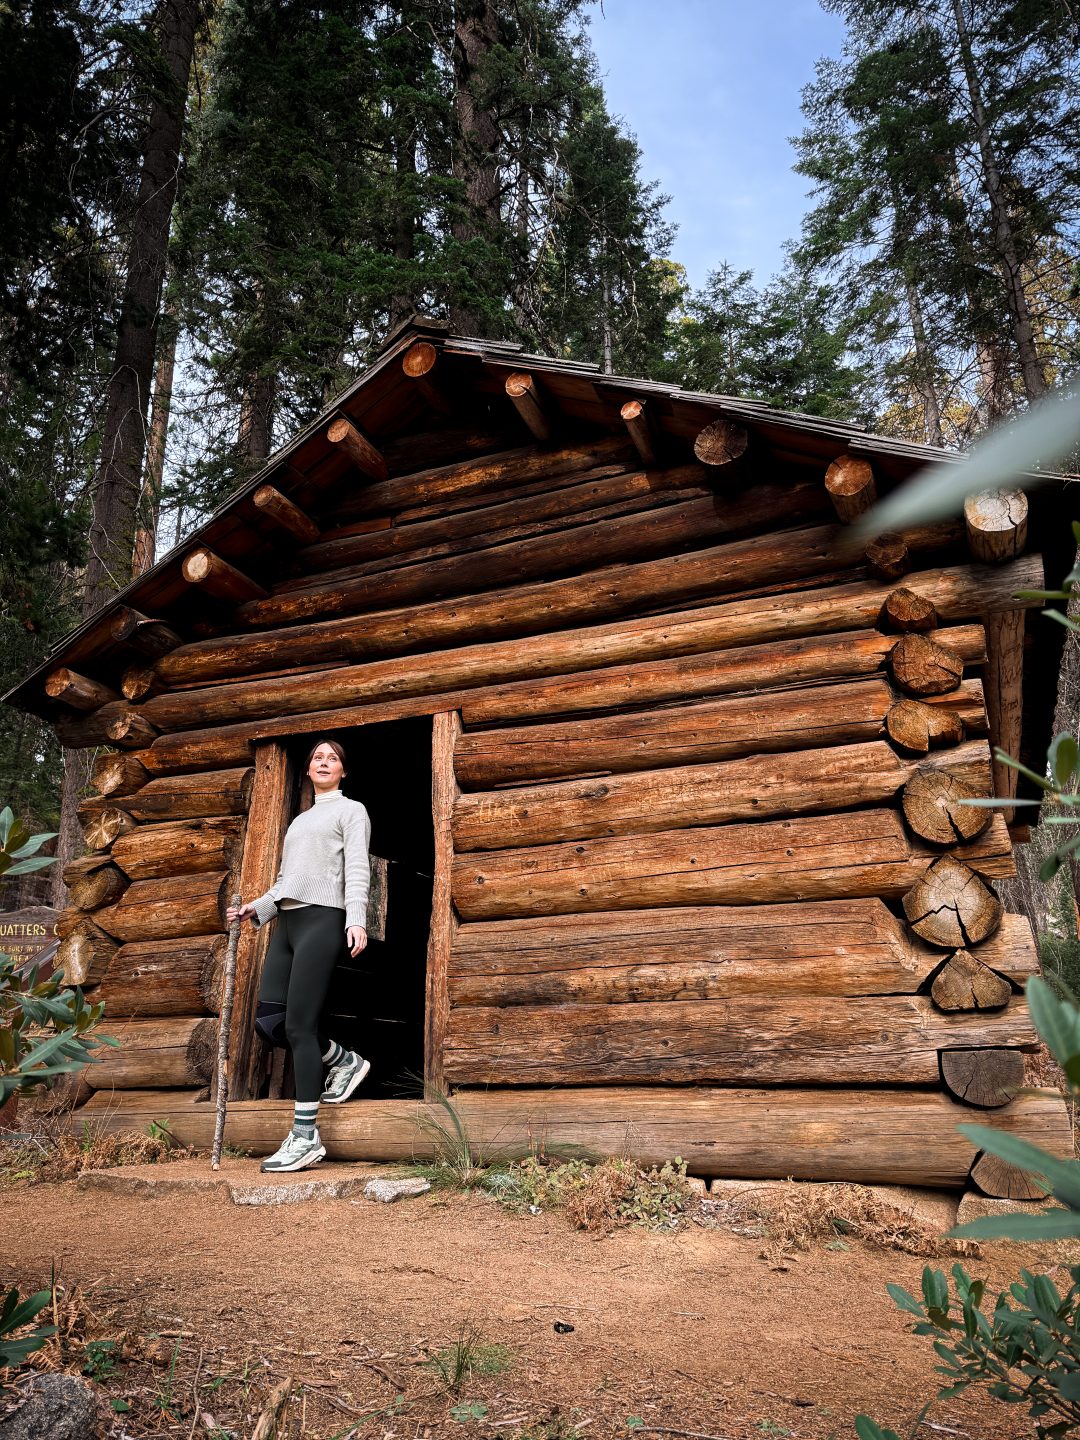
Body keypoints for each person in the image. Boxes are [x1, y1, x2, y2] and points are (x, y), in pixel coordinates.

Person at [227, 739, 371, 1173]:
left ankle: (306, 1137)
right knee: (269, 1023)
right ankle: (345, 1061)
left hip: (323, 921)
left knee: (299, 1026)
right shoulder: (299, 821)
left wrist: (356, 919)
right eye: (317, 758)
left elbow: (358, 868)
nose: (324, 763)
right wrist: (259, 906)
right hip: (286, 923)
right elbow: (288, 880)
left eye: (333, 759)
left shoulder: (352, 811)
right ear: (308, 770)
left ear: (343, 771)